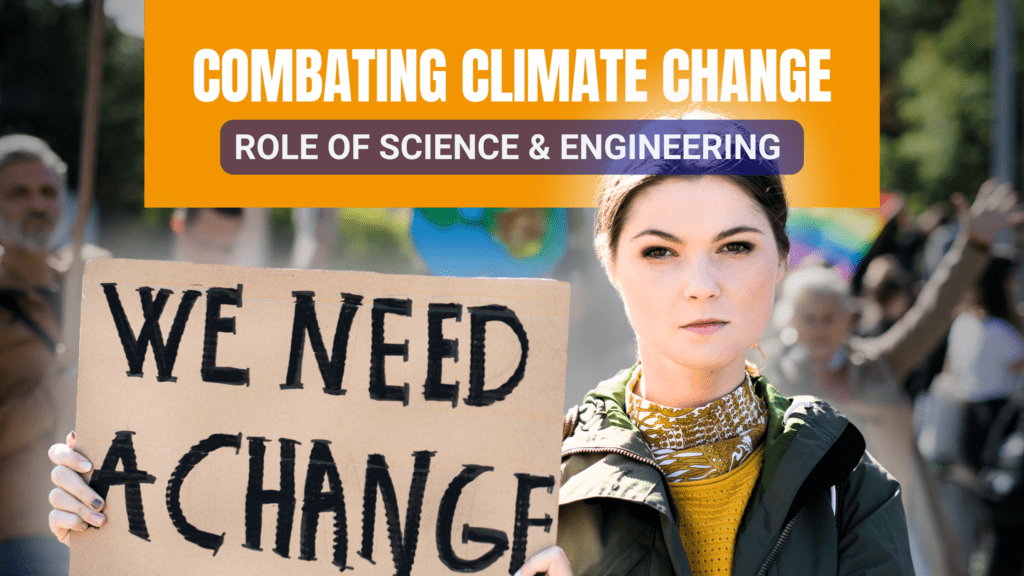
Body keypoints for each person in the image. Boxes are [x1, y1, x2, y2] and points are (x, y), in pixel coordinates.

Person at [765, 179, 1020, 576]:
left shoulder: (877, 365)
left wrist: (973, 246)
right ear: (787, 322)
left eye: (829, 316)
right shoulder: (766, 378)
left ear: (850, 319)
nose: (819, 327)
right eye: (808, 318)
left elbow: (932, 314)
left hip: (899, 535)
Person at [0, 134, 74, 576]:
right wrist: (53, 398)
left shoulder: (95, 276)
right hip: (25, 533)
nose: (38, 205)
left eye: (48, 192)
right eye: (18, 193)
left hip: (106, 518)